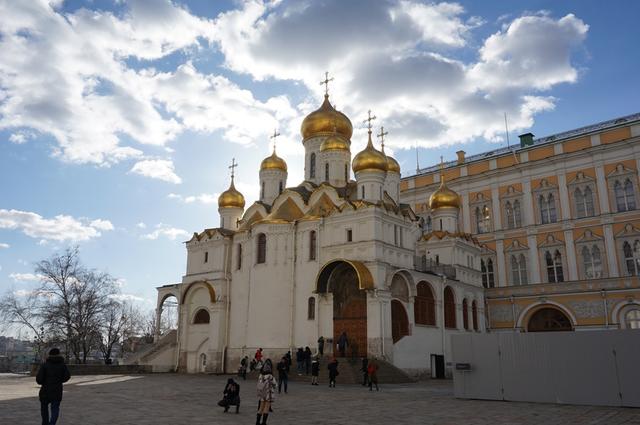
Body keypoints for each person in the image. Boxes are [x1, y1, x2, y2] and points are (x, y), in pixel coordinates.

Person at [36, 348, 70, 425]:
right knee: (55, 409)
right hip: (57, 390)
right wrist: (60, 380)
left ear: (49, 355)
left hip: (45, 391)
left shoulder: (45, 365)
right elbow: (67, 376)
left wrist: (44, 381)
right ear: (59, 354)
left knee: (44, 409)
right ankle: (52, 423)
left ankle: (45, 423)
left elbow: (39, 380)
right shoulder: (62, 365)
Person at [256, 360, 277, 425]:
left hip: (262, 393)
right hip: (268, 393)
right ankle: (264, 423)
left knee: (261, 407)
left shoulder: (260, 376)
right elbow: (275, 385)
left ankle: (257, 422)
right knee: (266, 408)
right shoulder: (270, 376)